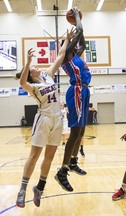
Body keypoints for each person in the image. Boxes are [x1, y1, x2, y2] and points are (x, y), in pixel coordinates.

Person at [15, 30, 72, 208]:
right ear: (30, 73)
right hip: (44, 119)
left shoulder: (48, 75)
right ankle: (22, 190)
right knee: (34, 155)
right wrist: (27, 62)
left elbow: (61, 56)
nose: (36, 66)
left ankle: (40, 188)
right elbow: (22, 83)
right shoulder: (32, 86)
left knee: (49, 157)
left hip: (57, 119)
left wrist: (67, 40)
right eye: (33, 68)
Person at [54, 7, 91, 192]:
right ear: (66, 46)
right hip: (75, 90)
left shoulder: (76, 54)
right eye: (71, 44)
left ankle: (74, 162)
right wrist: (76, 17)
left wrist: (77, 29)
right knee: (75, 131)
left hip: (84, 91)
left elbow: (82, 39)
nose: (76, 46)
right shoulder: (66, 55)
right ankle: (62, 170)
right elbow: (81, 31)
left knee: (82, 130)